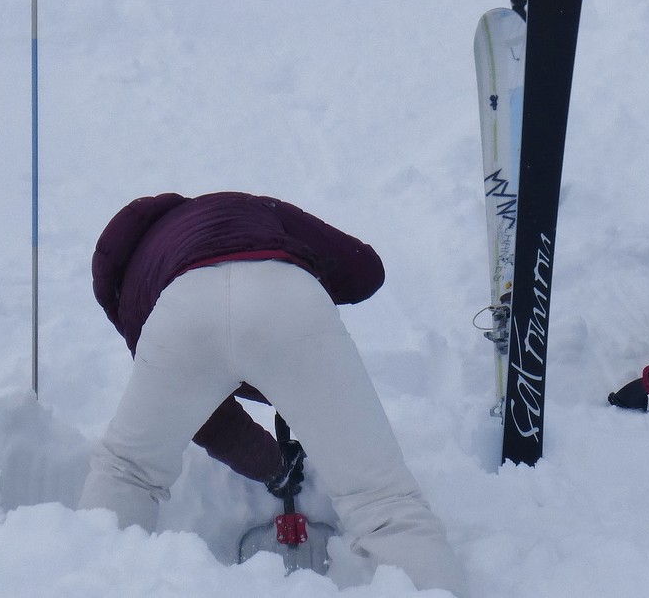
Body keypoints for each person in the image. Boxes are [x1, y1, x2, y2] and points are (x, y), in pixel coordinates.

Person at [78, 191, 467, 596]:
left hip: (183, 309)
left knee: (128, 472)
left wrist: (271, 465)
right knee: (383, 503)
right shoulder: (253, 208)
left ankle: (88, 582)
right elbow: (364, 269)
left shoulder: (136, 291)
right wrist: (302, 347)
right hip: (286, 295)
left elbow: (205, 418)